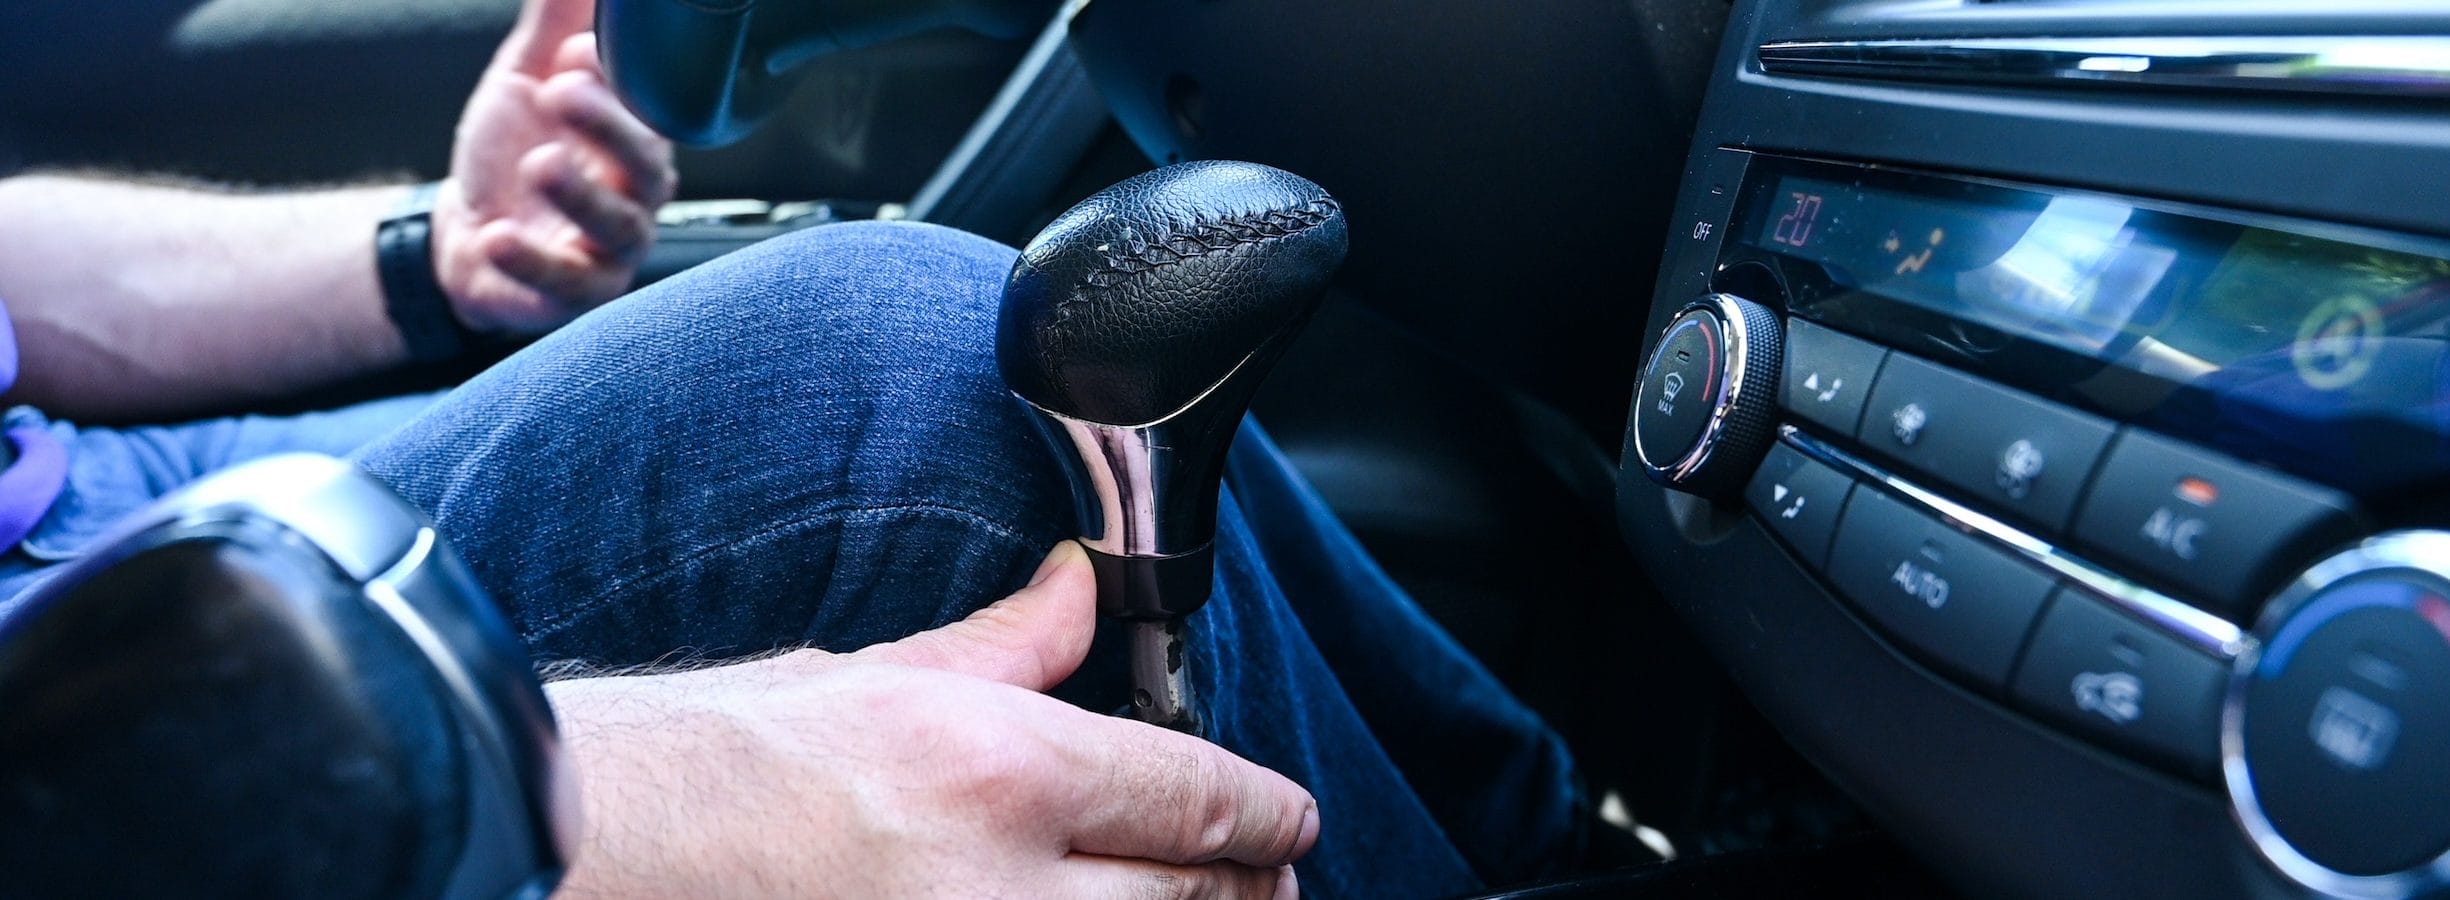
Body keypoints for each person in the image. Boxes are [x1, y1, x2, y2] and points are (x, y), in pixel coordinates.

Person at [0, 0, 1586, 896]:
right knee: (899, 399)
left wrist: (433, 253)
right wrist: (605, 810)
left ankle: (1554, 841)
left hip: (97, 487)